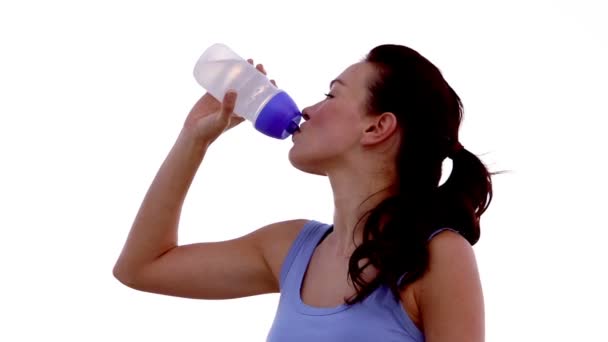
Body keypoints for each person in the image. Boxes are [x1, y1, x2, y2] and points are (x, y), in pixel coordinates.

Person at [113, 44, 493, 341]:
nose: (308, 109)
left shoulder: (438, 255)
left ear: (377, 128)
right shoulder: (291, 249)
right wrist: (193, 139)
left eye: (330, 95)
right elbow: (141, 267)